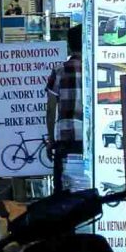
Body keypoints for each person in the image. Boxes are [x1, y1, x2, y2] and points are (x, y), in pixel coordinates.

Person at [42, 28, 86, 192]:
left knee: (62, 188)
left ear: (69, 45)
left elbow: (50, 109)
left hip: (64, 138)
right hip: (87, 139)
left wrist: (51, 140)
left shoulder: (59, 70)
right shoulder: (92, 70)